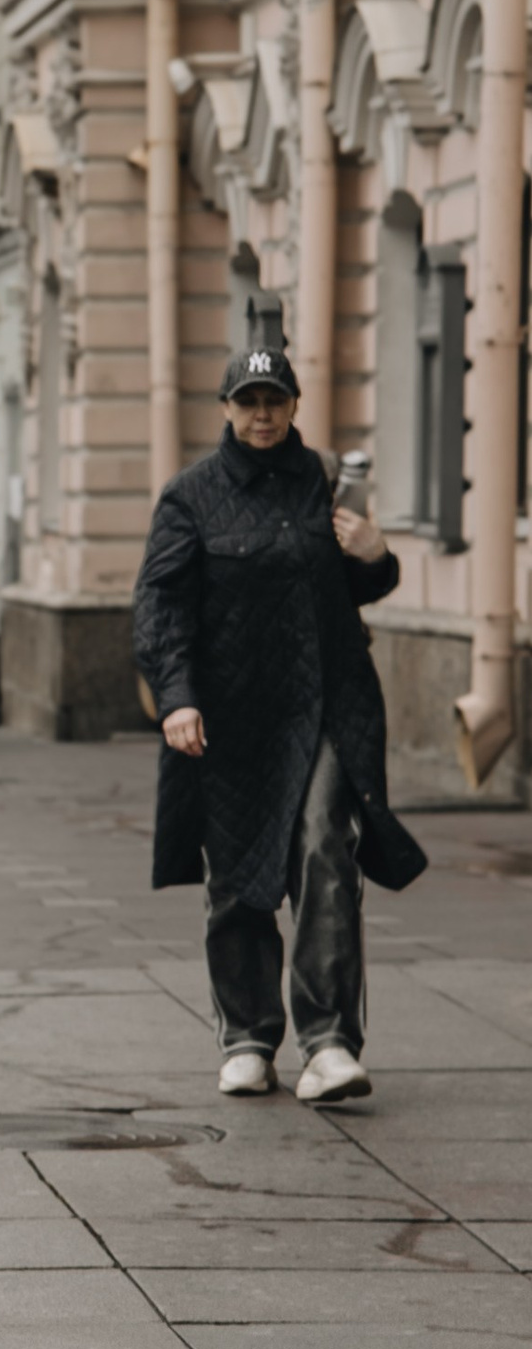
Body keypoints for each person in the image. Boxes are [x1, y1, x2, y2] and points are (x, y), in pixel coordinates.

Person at [132, 336, 427, 1103]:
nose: (262, 415)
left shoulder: (325, 482)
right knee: (238, 870)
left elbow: (356, 586)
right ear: (227, 409)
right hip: (229, 714)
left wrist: (376, 553)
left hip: (327, 700)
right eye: (248, 402)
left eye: (275, 400)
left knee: (325, 845)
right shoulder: (190, 495)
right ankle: (249, 1037)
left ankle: (329, 1043)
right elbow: (161, 603)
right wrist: (178, 696)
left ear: (294, 404)